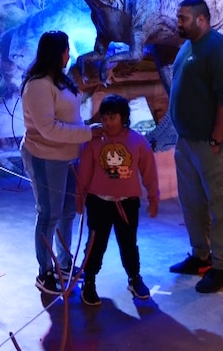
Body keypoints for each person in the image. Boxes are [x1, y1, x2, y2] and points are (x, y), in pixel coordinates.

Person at [167, 0, 223, 293]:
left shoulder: (218, 48)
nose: (178, 22)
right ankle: (200, 256)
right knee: (192, 202)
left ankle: (221, 266)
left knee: (217, 203)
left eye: (183, 17)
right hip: (186, 141)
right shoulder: (188, 46)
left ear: (201, 19)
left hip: (209, 144)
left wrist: (216, 139)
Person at [20, 30, 101, 296]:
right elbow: (48, 129)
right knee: (48, 214)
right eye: (66, 49)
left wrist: (86, 130)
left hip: (69, 158)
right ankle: (45, 272)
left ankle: (64, 264)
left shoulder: (61, 80)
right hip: (45, 157)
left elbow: (70, 117)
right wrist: (88, 132)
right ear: (56, 53)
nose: (69, 54)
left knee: (67, 212)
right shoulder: (38, 85)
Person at [75, 94, 159, 306]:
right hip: (98, 202)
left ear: (124, 117)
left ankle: (134, 278)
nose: (108, 122)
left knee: (128, 243)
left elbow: (149, 171)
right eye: (104, 117)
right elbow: (84, 171)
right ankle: (89, 281)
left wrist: (153, 197)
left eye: (113, 117)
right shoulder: (93, 143)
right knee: (96, 244)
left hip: (127, 203)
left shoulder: (137, 141)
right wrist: (79, 196)